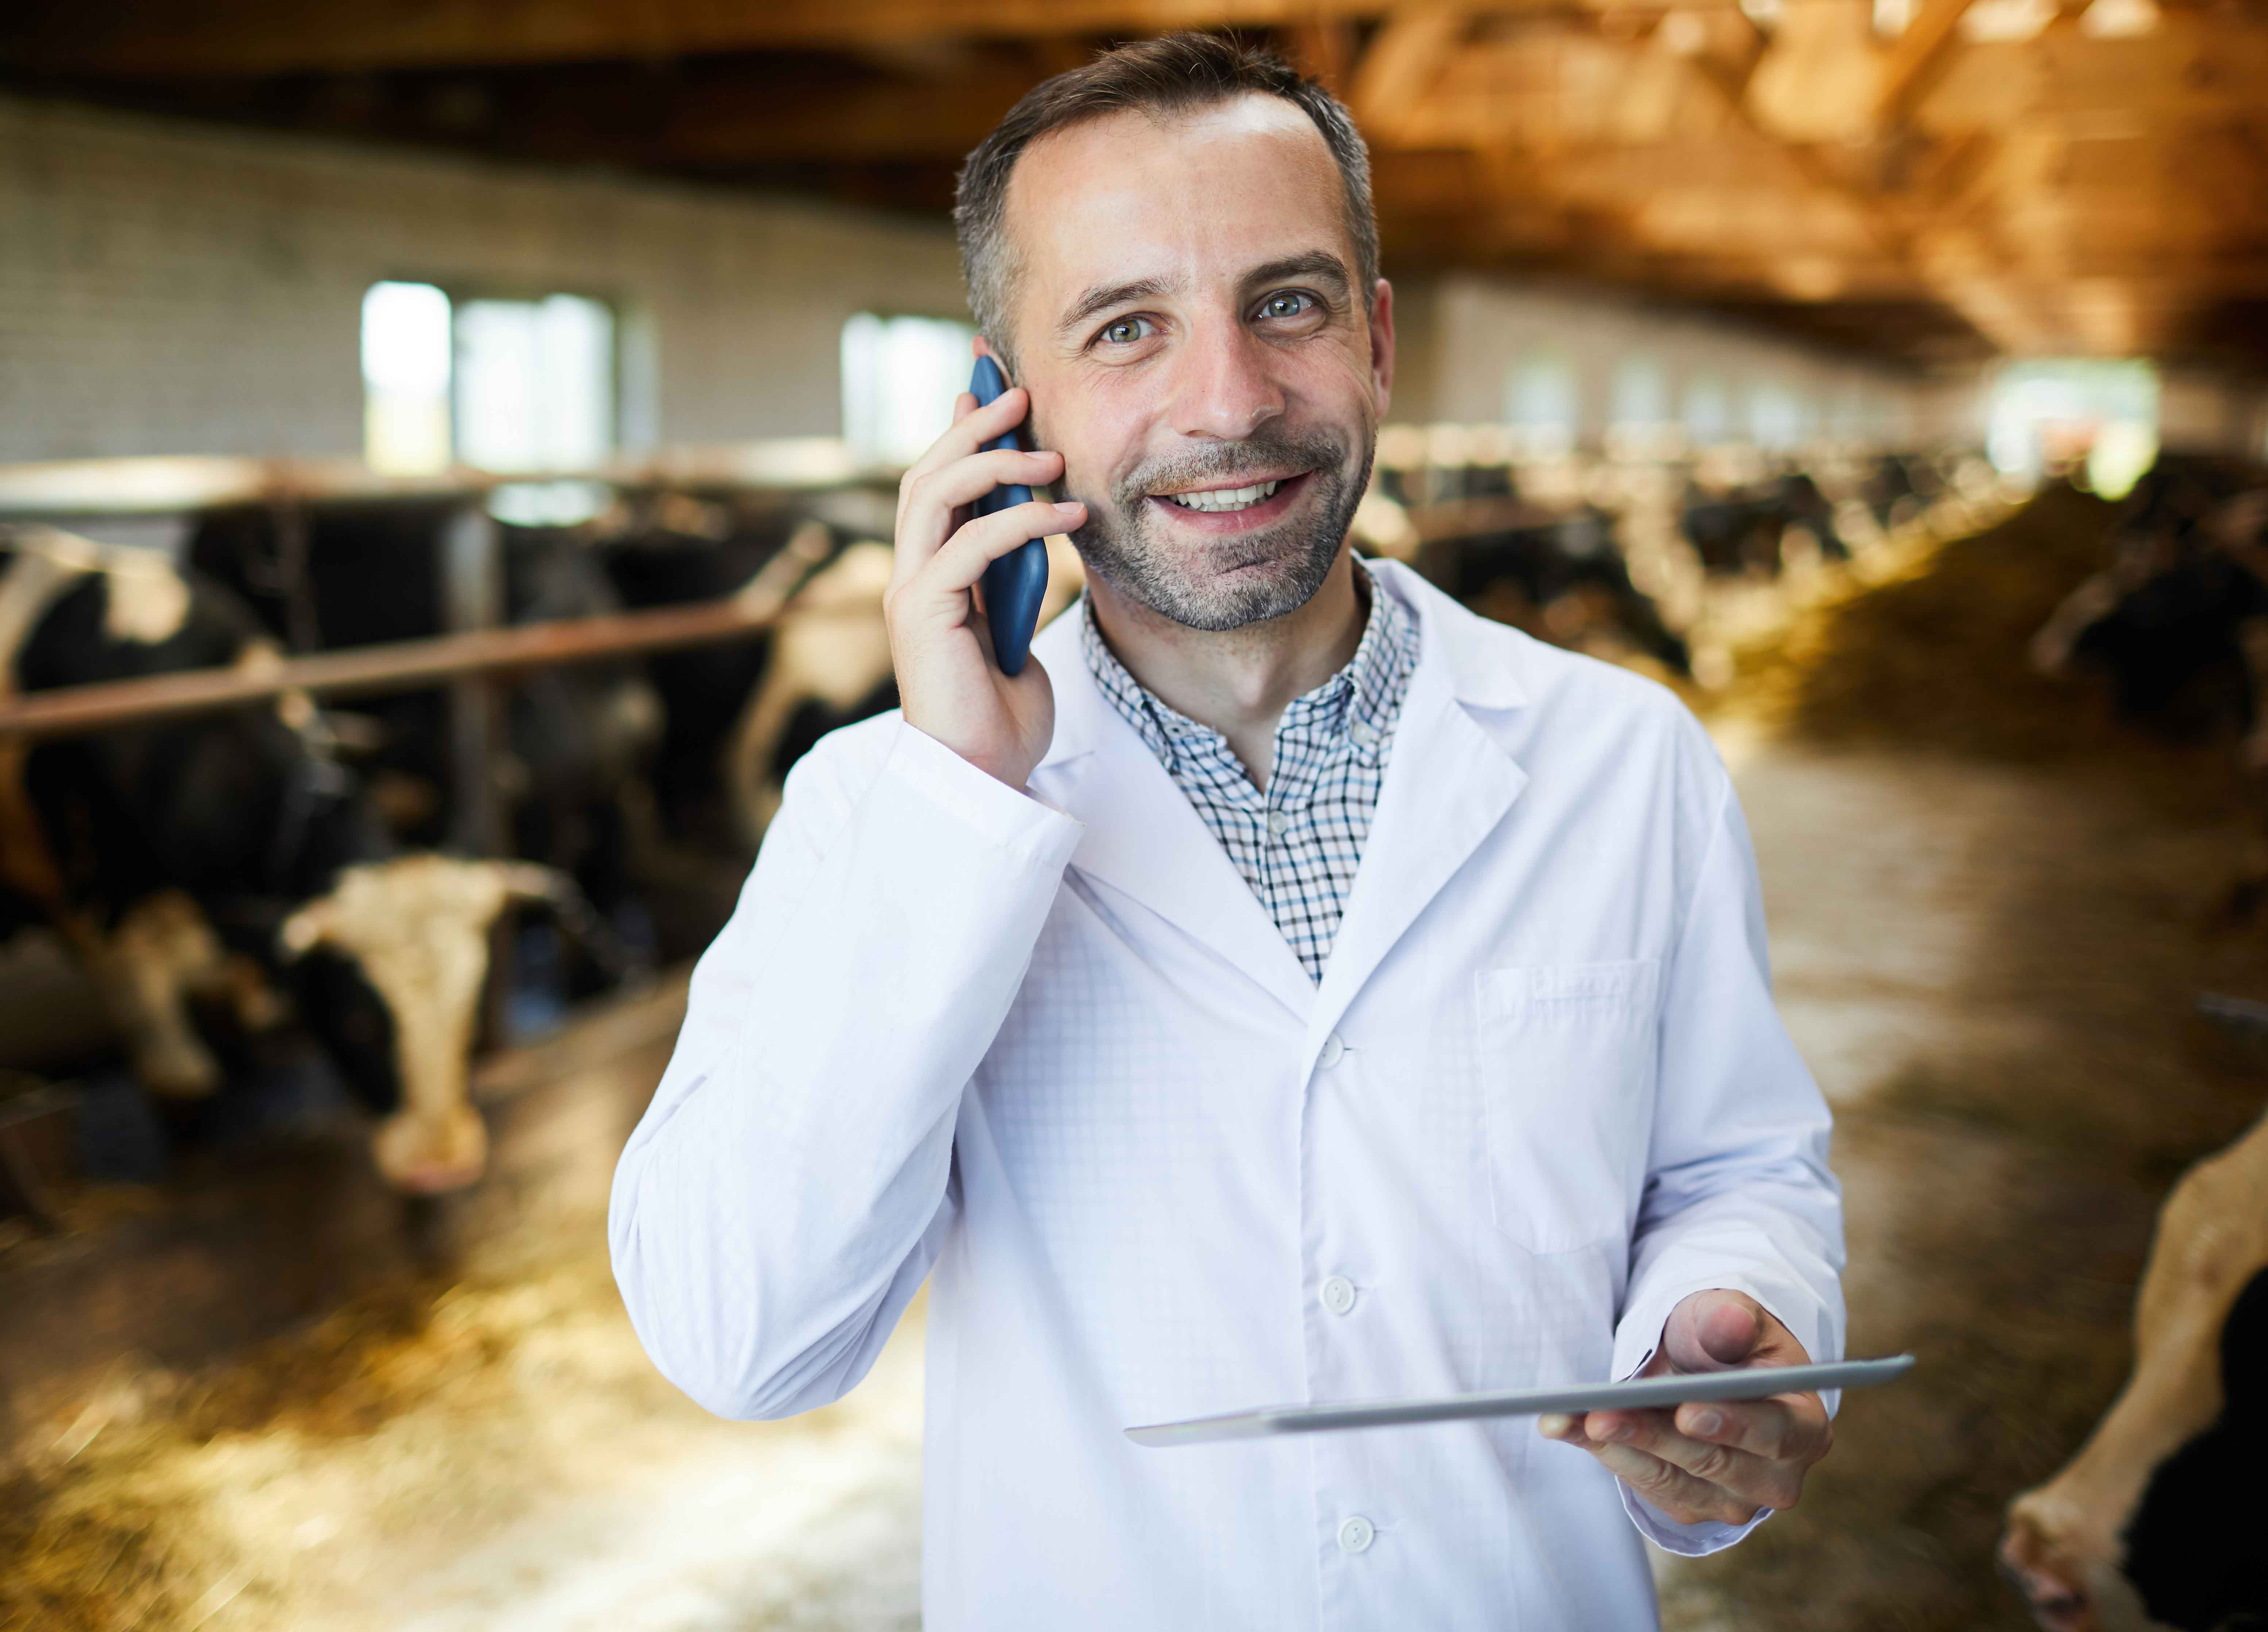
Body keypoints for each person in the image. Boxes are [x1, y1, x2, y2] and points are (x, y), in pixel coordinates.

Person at [609, 32, 1844, 1629]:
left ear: (1378, 340)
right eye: (1128, 328)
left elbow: (1740, 1164)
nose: (1230, 401)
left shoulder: (1624, 759)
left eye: (1289, 303)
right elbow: (744, 1338)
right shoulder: (886, 807)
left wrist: (1726, 1321)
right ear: (1006, 403)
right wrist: (963, 801)